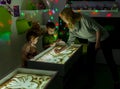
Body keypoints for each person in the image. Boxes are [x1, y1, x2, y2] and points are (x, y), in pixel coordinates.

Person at [55, 7, 120, 89]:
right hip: (92, 40)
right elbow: (69, 43)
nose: (63, 21)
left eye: (64, 19)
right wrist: (59, 50)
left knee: (109, 60)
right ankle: (90, 82)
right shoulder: (71, 26)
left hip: (103, 38)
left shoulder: (84, 18)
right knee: (89, 62)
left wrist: (97, 43)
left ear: (69, 17)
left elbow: (98, 29)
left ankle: (116, 81)